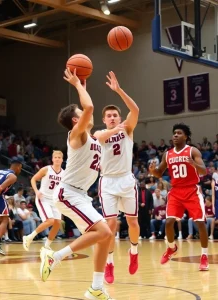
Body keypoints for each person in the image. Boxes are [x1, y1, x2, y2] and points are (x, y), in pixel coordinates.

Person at [39, 68, 113, 300]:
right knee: (104, 230)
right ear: (75, 119)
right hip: (67, 194)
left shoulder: (89, 136)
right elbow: (89, 108)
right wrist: (76, 85)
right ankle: (55, 256)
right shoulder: (75, 135)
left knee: (104, 236)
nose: (87, 114)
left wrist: (83, 83)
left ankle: (96, 289)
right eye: (81, 113)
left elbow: (86, 107)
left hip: (80, 195)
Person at [94, 71, 140, 283]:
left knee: (132, 220)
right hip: (108, 182)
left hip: (126, 179)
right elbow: (100, 136)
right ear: (104, 119)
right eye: (109, 116)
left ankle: (133, 252)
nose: (112, 118)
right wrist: (115, 129)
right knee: (110, 225)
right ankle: (110, 263)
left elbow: (136, 109)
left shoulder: (128, 129)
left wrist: (118, 90)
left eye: (115, 115)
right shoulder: (100, 133)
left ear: (120, 117)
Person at [149, 123, 209, 271]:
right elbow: (159, 172)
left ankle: (204, 256)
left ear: (186, 137)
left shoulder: (192, 151)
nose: (175, 135)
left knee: (200, 223)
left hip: (191, 191)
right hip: (175, 191)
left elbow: (204, 172)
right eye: (174, 133)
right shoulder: (167, 154)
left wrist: (194, 164)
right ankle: (171, 248)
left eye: (179, 133)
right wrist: (152, 171)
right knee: (169, 222)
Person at [23, 150, 64, 251]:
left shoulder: (64, 173)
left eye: (59, 157)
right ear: (52, 159)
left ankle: (46, 246)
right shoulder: (46, 169)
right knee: (50, 220)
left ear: (62, 160)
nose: (57, 159)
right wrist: (36, 191)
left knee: (58, 223)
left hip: (55, 200)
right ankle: (29, 237)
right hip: (43, 198)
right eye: (55, 157)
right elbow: (33, 179)